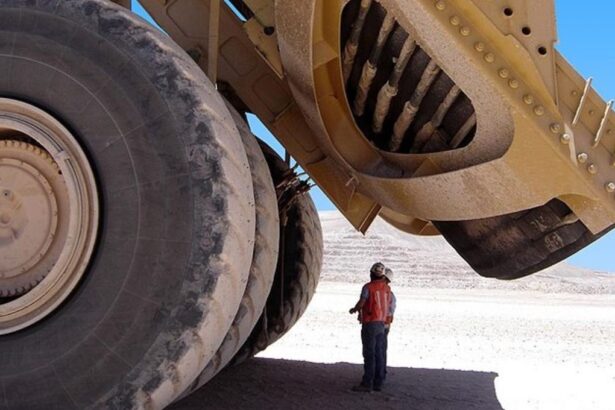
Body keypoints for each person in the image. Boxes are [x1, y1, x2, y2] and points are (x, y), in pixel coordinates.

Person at [349, 262, 392, 392]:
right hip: (381, 324)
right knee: (379, 353)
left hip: (370, 323)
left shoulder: (368, 287)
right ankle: (378, 383)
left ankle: (367, 383)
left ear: (371, 273)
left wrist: (355, 309)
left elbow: (362, 302)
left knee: (369, 354)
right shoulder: (387, 289)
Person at [383, 268, 397, 380]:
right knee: (382, 349)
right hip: (385, 325)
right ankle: (381, 373)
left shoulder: (372, 290)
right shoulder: (391, 295)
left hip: (376, 324)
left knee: (374, 350)